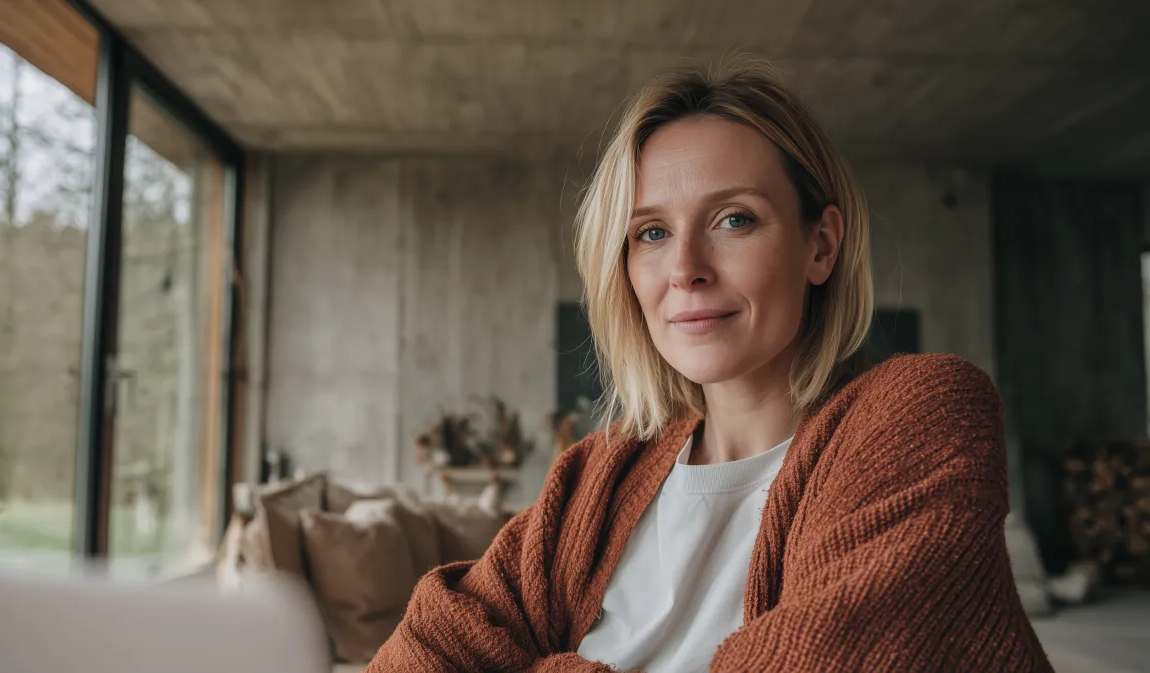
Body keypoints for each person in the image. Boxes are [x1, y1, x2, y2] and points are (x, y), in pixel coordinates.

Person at [366, 60, 1051, 672]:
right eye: (652, 233)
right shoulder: (595, 474)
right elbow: (423, 649)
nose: (686, 270)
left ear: (821, 245)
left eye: (734, 220)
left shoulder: (922, 410)